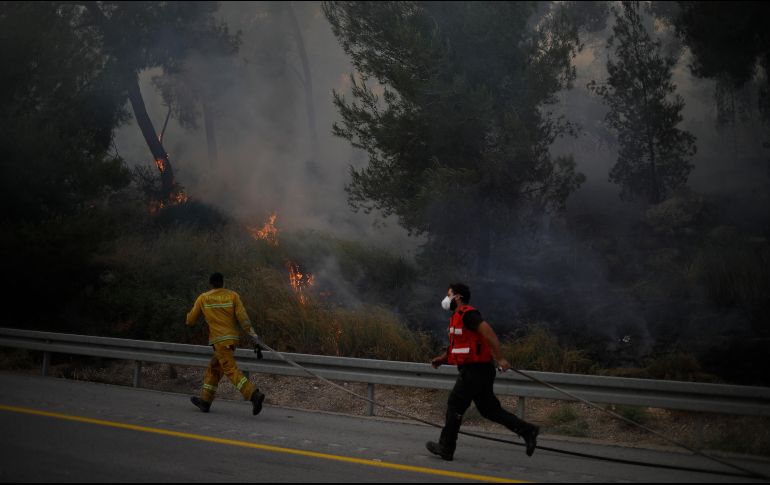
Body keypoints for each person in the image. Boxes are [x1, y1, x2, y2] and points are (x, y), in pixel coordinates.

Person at [426, 283, 539, 461]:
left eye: (449, 295)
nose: (446, 299)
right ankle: (528, 430)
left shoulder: (468, 314)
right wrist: (442, 358)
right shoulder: (457, 318)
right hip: (480, 370)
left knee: (455, 405)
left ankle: (446, 447)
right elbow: (461, 348)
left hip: (475, 371)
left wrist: (501, 358)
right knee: (489, 410)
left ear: (458, 297)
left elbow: (490, 334)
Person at [186, 272, 265, 415]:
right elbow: (243, 318)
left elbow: (190, 321)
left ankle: (253, 395)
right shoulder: (233, 295)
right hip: (232, 340)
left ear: (211, 284)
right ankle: (205, 401)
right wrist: (253, 335)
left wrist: (188, 317)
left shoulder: (203, 298)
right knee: (214, 368)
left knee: (230, 370)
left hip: (219, 341)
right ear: (223, 283)